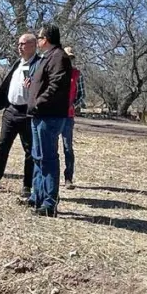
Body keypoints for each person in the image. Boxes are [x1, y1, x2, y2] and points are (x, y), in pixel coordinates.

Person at [0, 33, 39, 197]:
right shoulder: (18, 63)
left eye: (23, 44)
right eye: (19, 44)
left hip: (27, 113)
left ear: (33, 45)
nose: (19, 46)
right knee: (2, 145)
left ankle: (27, 186)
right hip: (11, 110)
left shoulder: (38, 64)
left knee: (29, 150)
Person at [24, 24, 72, 217]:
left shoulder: (59, 57)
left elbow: (56, 86)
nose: (38, 41)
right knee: (38, 156)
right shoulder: (46, 57)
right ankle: (38, 195)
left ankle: (50, 202)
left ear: (47, 39)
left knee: (48, 158)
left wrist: (38, 102)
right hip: (38, 115)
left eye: (40, 37)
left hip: (49, 115)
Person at [61, 46, 85, 189]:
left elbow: (82, 95)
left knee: (67, 147)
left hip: (68, 117)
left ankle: (68, 178)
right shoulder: (54, 72)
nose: (67, 60)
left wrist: (73, 105)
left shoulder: (77, 74)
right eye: (65, 58)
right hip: (53, 115)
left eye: (70, 58)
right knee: (50, 147)